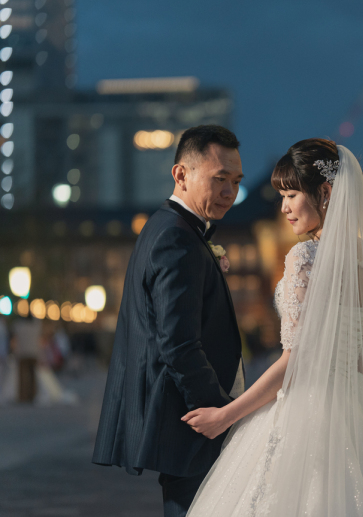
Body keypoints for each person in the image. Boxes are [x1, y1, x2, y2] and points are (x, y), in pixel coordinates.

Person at [183, 139, 363, 516]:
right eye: (282, 195)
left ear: (326, 193)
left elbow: (294, 362)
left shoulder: (305, 258)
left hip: (308, 409)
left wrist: (227, 415)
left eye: (292, 194)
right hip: (361, 409)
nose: (284, 207)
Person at [92, 125, 246, 517]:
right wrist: (219, 415)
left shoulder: (170, 228)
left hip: (188, 424)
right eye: (219, 179)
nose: (230, 191)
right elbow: (178, 343)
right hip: (194, 425)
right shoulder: (176, 238)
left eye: (235, 181)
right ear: (181, 175)